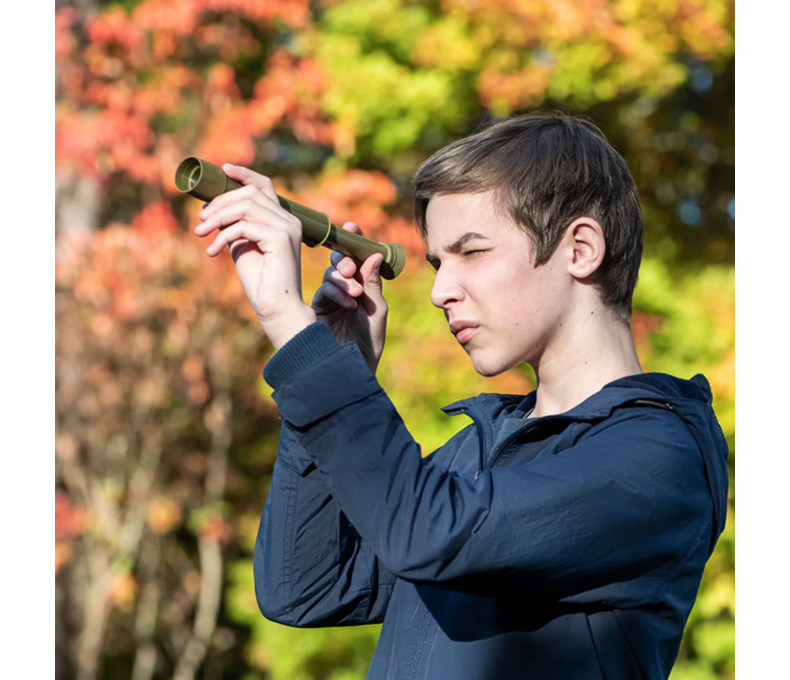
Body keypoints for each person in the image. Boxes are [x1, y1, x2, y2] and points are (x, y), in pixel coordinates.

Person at [195, 113, 730, 679]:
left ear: (580, 249)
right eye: (437, 263)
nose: (439, 292)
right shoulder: (475, 454)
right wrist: (338, 359)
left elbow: (430, 532)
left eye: (471, 253)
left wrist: (293, 328)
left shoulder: (658, 458)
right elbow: (303, 586)